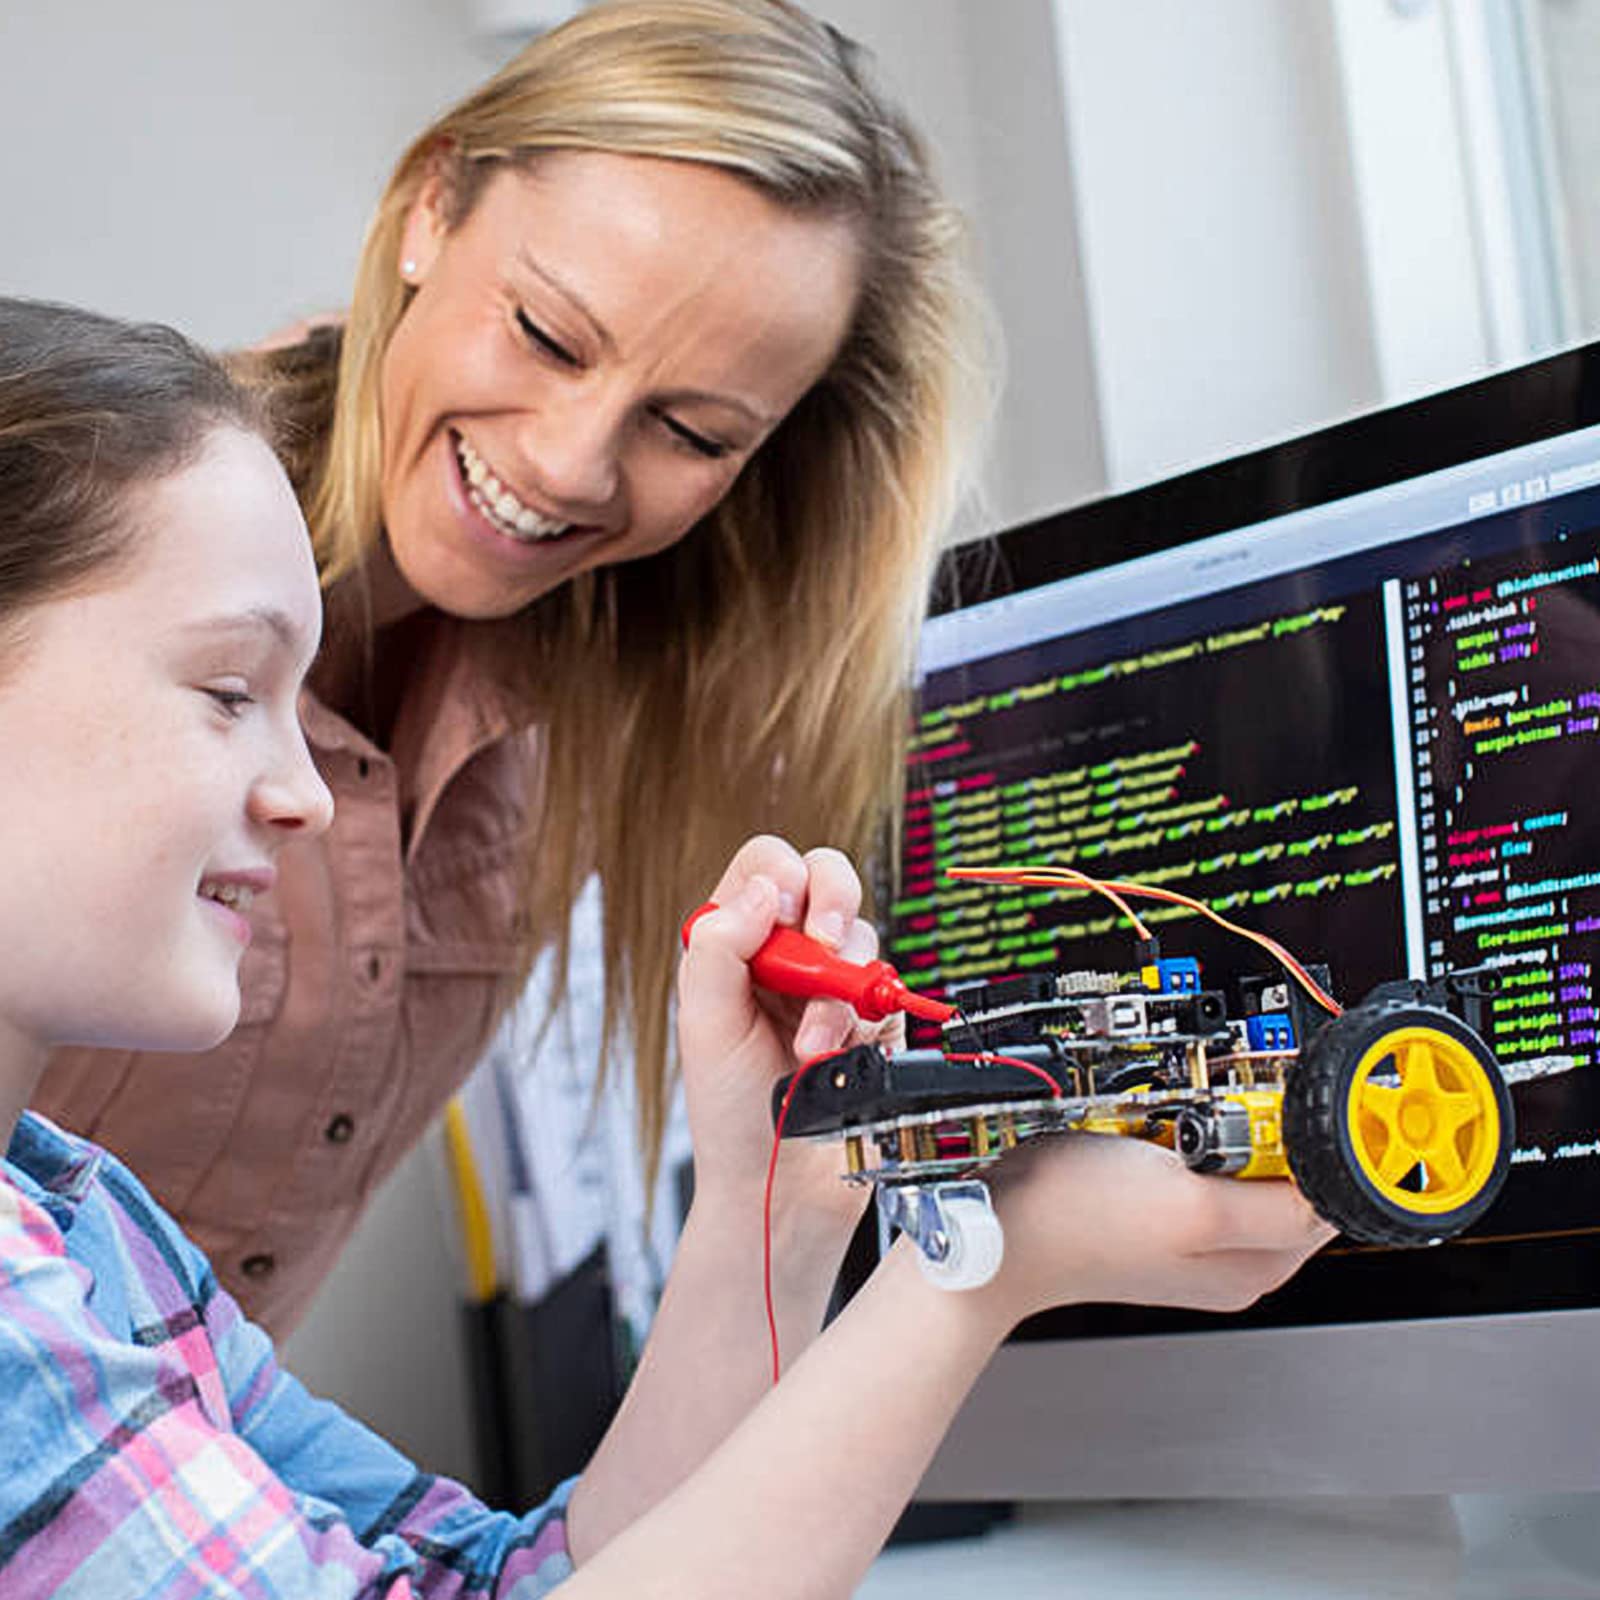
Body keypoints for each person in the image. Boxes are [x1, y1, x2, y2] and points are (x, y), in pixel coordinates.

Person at [0, 296, 1333, 1596]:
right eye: (228, 690)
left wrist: (773, 1199)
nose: (303, 792)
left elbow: (517, 1581)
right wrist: (981, 1272)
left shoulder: (87, 1224)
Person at [35, 0, 995, 1339]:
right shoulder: (73, 542)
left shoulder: (578, 710)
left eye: (691, 432)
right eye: (546, 335)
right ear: (434, 206)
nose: (567, 464)